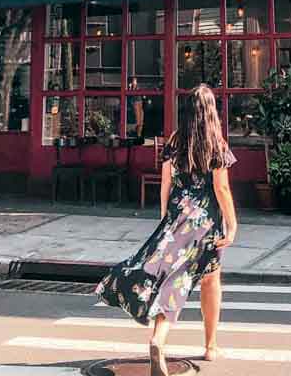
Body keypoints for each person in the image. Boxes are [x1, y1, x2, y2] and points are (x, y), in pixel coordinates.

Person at [96, 84, 238, 376]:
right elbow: (221, 188)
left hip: (176, 219)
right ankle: (210, 346)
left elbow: (166, 183)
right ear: (212, 112)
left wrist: (166, 218)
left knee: (173, 279)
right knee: (210, 280)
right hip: (205, 224)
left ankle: (159, 337)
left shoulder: (174, 141)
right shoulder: (217, 144)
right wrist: (232, 224)